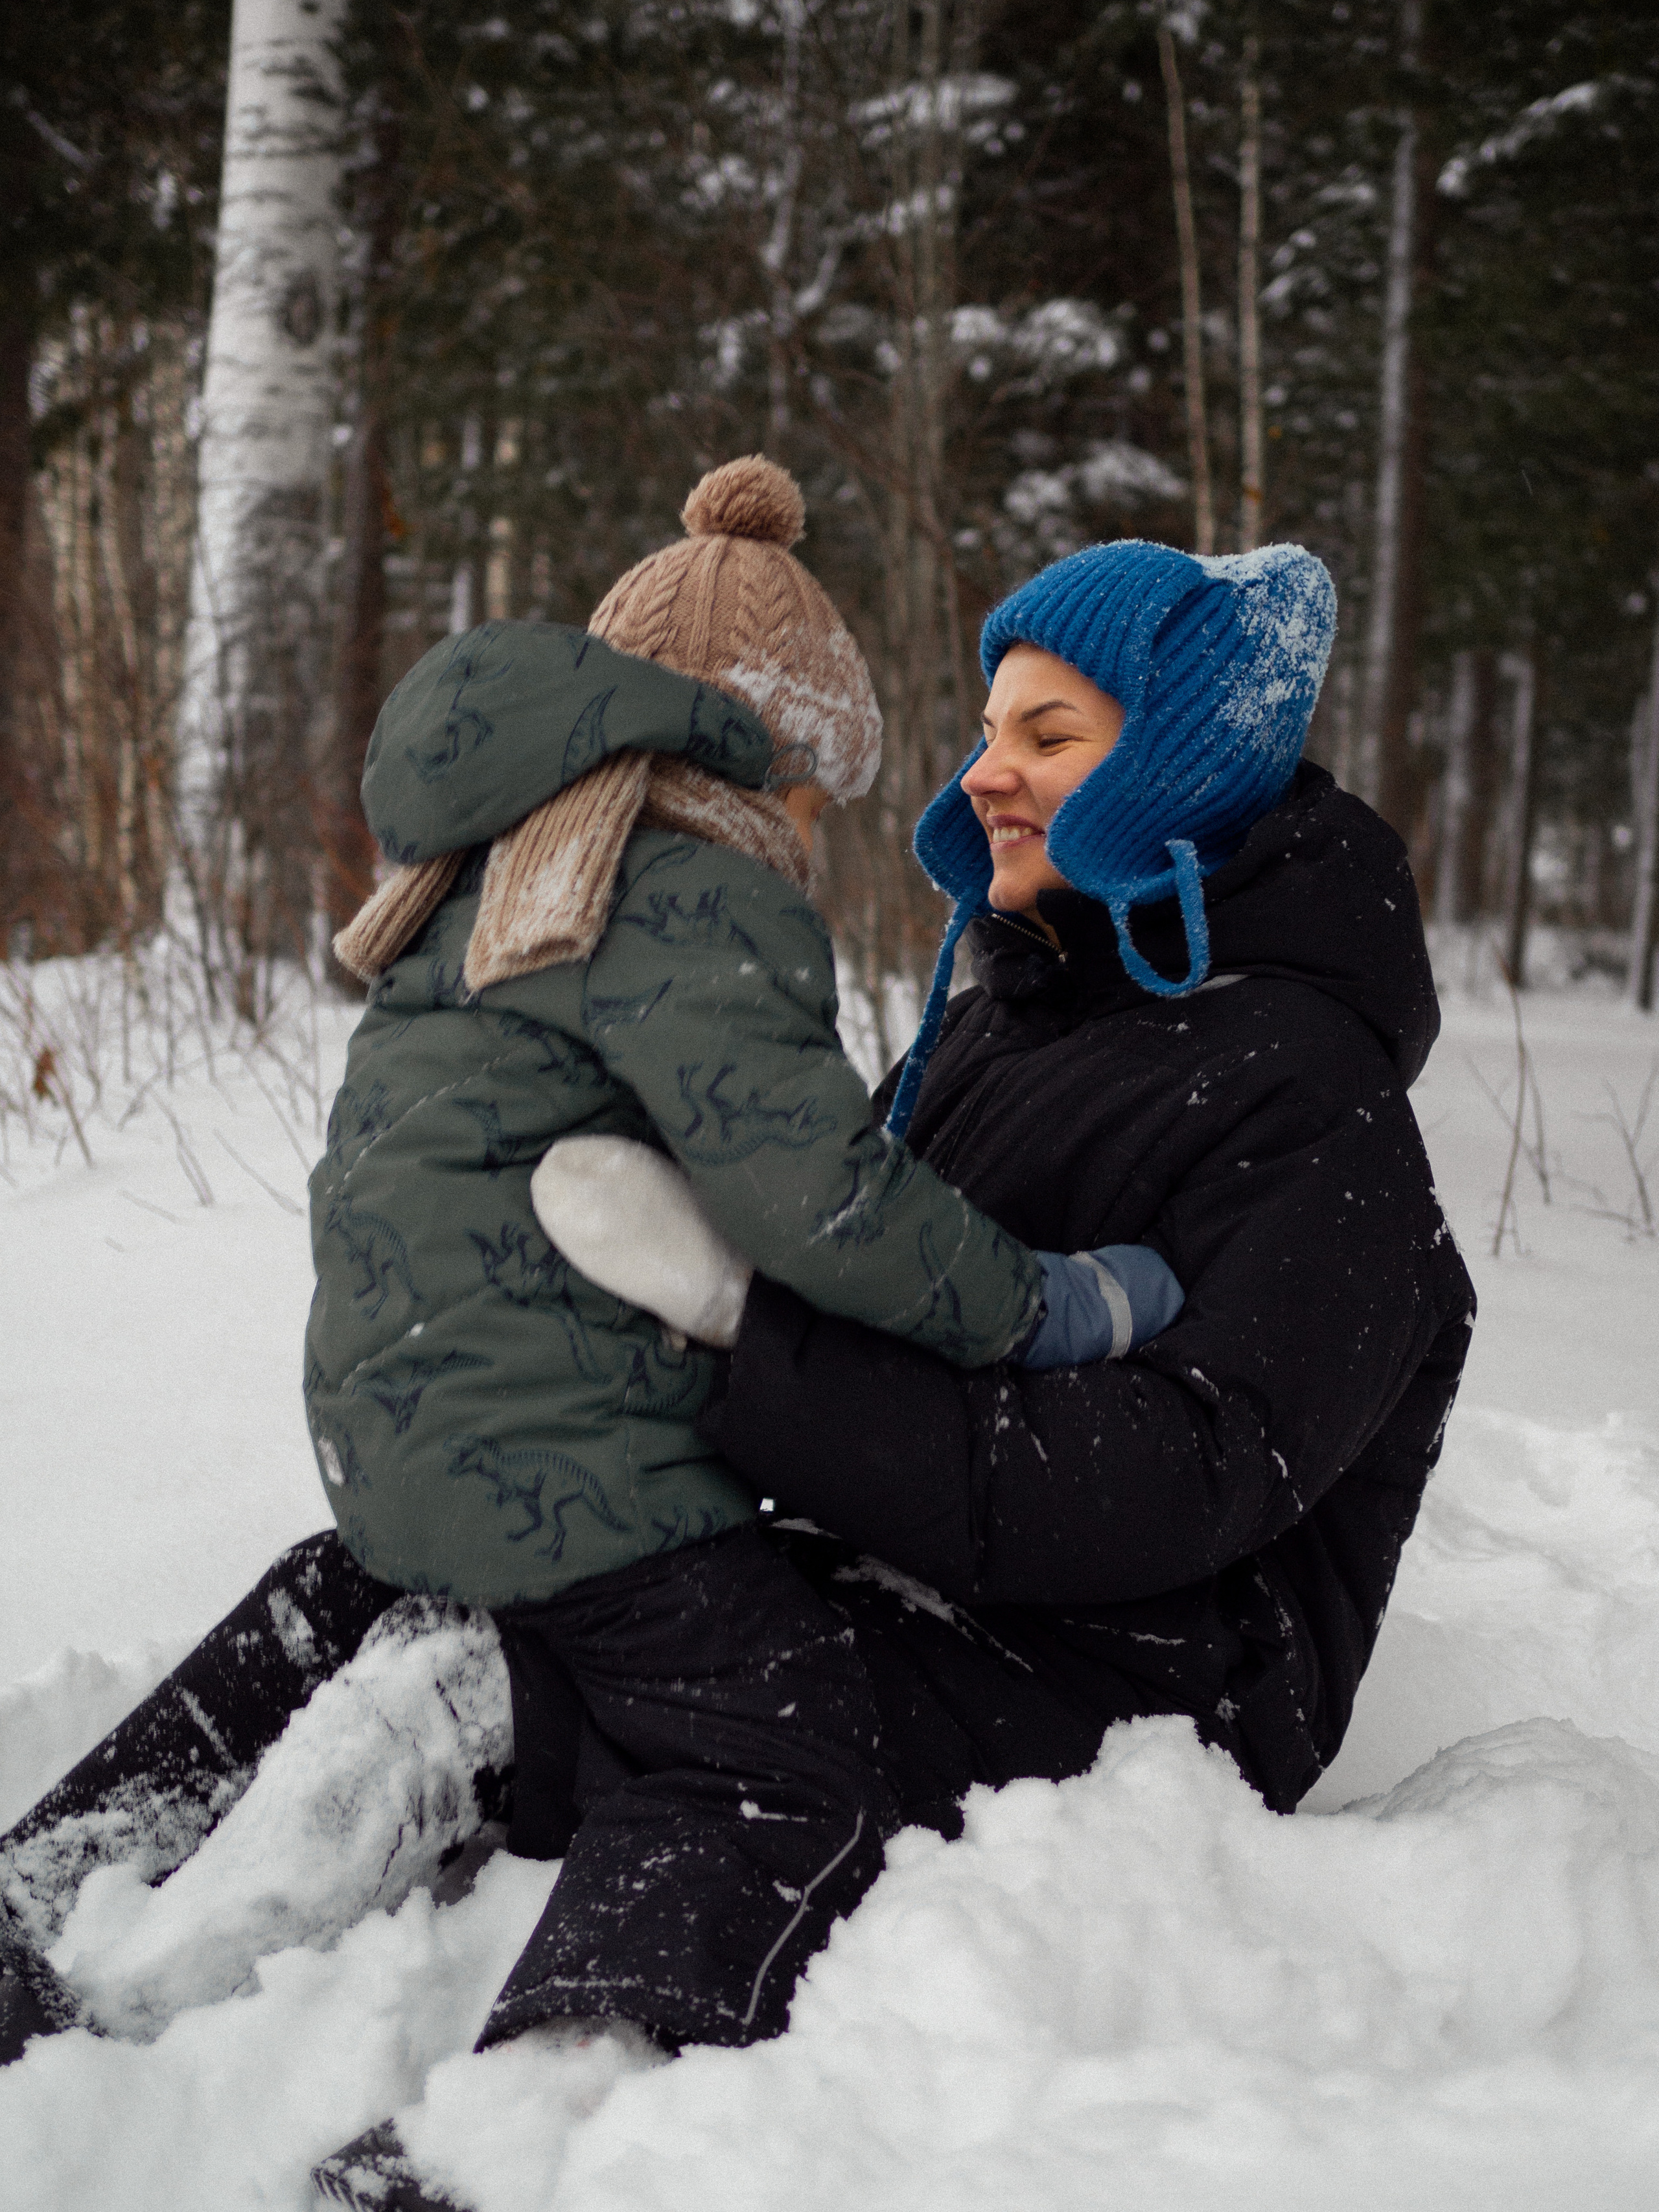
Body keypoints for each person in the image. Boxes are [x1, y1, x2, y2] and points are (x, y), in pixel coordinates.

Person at [1, 526, 1472, 2212]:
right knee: (433, 1571)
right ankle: (43, 1905)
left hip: (1152, 1676)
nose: (985, 771)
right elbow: (863, 1271)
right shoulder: (1021, 1015)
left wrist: (739, 1347)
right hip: (924, 1552)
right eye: (991, 728)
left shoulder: (1329, 1119)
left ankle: (519, 2122)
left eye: (1048, 738)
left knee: (756, 1719)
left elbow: (1170, 1484)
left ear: (1189, 766)